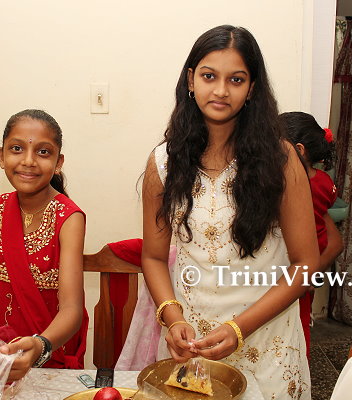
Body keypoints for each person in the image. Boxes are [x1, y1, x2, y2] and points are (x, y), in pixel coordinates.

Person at [141, 26, 319, 399]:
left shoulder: (280, 159)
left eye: (236, 80)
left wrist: (239, 329)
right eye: (209, 76)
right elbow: (154, 257)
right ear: (191, 80)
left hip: (265, 341)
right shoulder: (164, 162)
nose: (221, 90)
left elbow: (306, 264)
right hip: (191, 343)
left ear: (251, 89)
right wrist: (172, 318)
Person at [0, 109, 88, 381]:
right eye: (17, 149)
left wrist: (40, 346)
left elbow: (72, 309)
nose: (28, 161)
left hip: (45, 355)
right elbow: (5, 265)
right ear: (1, 156)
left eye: (43, 152)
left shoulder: (69, 218)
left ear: (58, 162)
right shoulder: (0, 206)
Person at [280, 111, 344, 360]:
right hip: (312, 264)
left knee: (295, 324)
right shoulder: (324, 181)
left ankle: (298, 367)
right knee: (301, 322)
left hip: (292, 267)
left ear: (299, 150)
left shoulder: (291, 186)